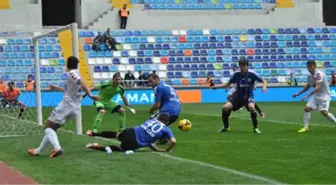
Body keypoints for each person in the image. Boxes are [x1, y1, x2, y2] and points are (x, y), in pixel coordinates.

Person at [28, 56, 100, 158]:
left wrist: (91, 96)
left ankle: (57, 148)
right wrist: (56, 88)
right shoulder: (77, 74)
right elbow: (70, 90)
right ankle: (37, 151)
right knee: (52, 129)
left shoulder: (72, 74)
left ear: (67, 64)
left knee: (47, 127)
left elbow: (83, 84)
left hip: (66, 106)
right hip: (75, 109)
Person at [211, 57, 267, 134]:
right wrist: (216, 87)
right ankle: (226, 127)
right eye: (241, 65)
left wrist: (264, 86)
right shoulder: (236, 74)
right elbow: (227, 84)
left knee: (251, 107)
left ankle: (255, 128)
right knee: (225, 107)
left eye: (244, 65)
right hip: (237, 97)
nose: (242, 67)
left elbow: (264, 81)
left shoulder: (252, 74)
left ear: (247, 65)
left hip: (248, 96)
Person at [86, 113, 176, 153]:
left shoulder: (151, 120)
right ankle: (97, 147)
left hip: (130, 131)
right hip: (134, 142)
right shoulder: (166, 129)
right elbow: (173, 141)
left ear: (158, 118)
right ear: (167, 122)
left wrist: (156, 149)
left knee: (116, 134)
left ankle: (93, 133)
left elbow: (148, 141)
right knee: (120, 148)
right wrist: (167, 149)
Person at [293, 60, 336, 132]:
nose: (309, 68)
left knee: (324, 112)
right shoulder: (310, 77)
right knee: (307, 109)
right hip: (317, 95)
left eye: (311, 66)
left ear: (314, 66)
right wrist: (298, 93)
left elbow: (317, 87)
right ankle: (305, 128)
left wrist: (307, 95)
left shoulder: (319, 74)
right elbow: (307, 86)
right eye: (308, 67)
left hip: (324, 95)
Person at [147, 73, 181, 144]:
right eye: (148, 82)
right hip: (176, 111)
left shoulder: (158, 87)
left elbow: (157, 105)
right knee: (161, 123)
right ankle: (162, 139)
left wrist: (151, 110)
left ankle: (150, 141)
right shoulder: (168, 86)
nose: (150, 84)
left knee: (150, 122)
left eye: (151, 81)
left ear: (157, 79)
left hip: (168, 111)